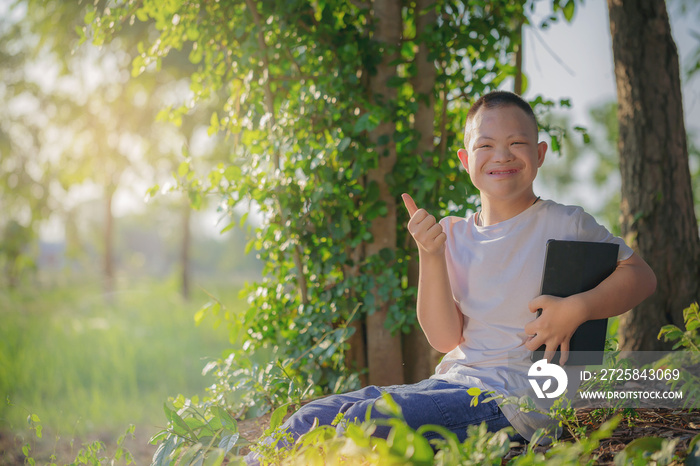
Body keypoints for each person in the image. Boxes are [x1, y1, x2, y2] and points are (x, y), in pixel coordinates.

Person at [246, 91, 657, 462]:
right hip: (454, 384)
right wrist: (431, 254)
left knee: (368, 420)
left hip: (518, 401)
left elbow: (641, 276)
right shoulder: (455, 233)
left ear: (540, 153)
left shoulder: (565, 223)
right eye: (486, 146)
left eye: (517, 143)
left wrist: (576, 309)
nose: (502, 156)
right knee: (308, 418)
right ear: (465, 160)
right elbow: (445, 340)